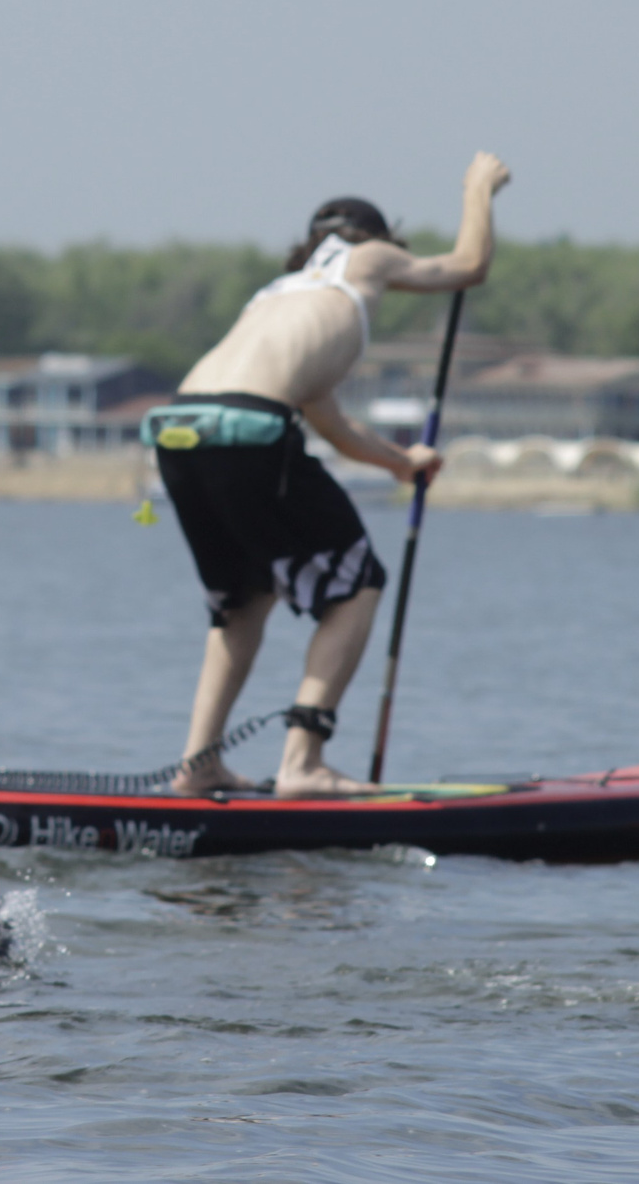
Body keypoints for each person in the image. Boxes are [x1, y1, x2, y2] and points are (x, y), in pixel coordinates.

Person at [144, 153, 511, 799]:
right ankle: (304, 762)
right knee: (358, 583)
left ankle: (198, 766)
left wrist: (401, 463)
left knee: (242, 600)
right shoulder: (365, 258)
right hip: (249, 426)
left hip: (179, 429)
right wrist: (479, 188)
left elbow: (334, 426)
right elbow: (468, 266)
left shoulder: (281, 295)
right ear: (377, 240)